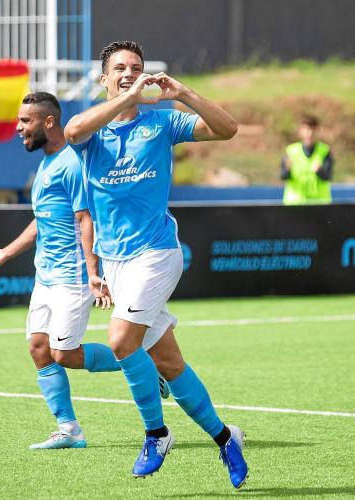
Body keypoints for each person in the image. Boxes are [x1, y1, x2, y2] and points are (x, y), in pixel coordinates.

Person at [64, 40, 248, 489]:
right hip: (117, 262)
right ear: (104, 79)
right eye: (119, 68)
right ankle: (226, 438)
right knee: (167, 361)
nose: (129, 73)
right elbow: (71, 131)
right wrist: (125, 98)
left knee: (121, 340)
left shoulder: (162, 122)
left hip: (157, 253)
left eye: (136, 67)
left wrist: (183, 93)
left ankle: (156, 433)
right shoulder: (93, 131)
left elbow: (227, 129)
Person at [0, 92, 167, 450]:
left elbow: (85, 218)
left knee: (64, 353)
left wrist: (93, 272)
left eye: (25, 121)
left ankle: (147, 365)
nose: (18, 128)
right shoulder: (47, 163)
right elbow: (43, 219)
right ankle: (69, 430)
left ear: (49, 121)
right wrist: (6, 253)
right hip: (45, 276)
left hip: (72, 276)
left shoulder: (72, 162)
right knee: (38, 348)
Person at [280, 114, 334, 205]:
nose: (310, 133)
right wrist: (287, 170)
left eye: (313, 129)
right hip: (295, 204)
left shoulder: (324, 151)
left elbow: (328, 176)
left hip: (319, 204)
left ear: (317, 131)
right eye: (306, 129)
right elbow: (283, 176)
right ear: (300, 131)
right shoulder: (291, 152)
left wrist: (320, 171)